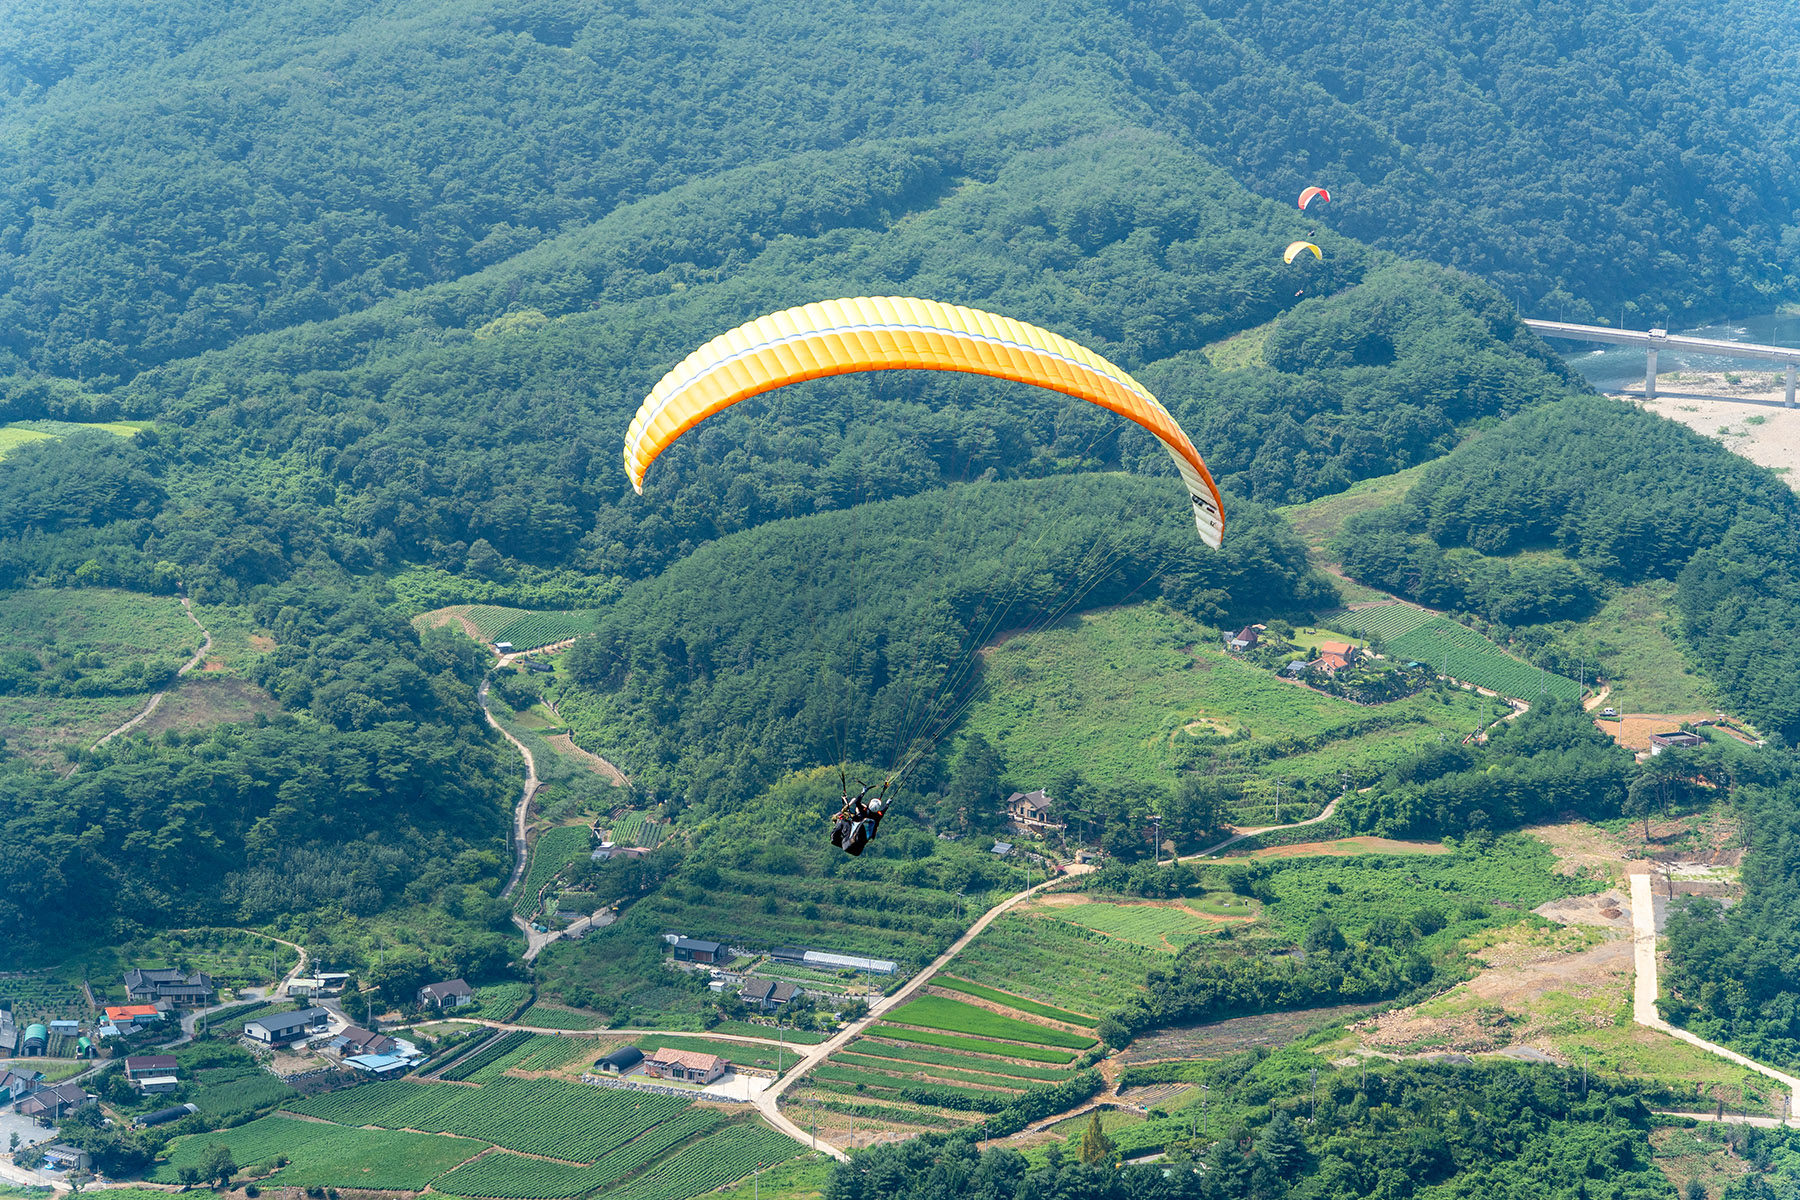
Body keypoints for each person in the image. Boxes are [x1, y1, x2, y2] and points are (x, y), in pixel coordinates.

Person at [832, 775, 892, 856]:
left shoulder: (863, 812)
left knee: (842, 821)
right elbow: (884, 810)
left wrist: (863, 792)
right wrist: (888, 803)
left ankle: (833, 838)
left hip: (847, 843)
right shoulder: (878, 816)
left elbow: (857, 802)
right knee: (849, 824)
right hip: (858, 851)